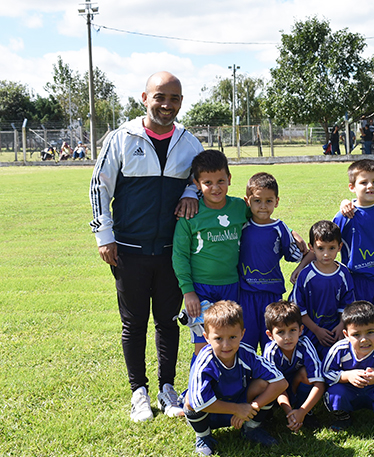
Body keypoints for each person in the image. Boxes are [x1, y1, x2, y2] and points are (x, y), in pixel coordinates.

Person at [90, 71, 204, 422]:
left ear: (181, 102)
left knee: (169, 321)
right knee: (134, 322)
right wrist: (103, 235)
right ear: (144, 98)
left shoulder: (190, 143)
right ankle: (138, 391)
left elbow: (200, 181)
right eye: (160, 97)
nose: (166, 105)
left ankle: (167, 387)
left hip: (172, 251)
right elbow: (99, 186)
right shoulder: (121, 137)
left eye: (174, 99)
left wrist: (188, 192)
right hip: (128, 249)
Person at [172, 150, 251, 358]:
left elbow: (264, 219)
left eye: (221, 181)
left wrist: (292, 234)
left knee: (230, 343)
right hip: (200, 289)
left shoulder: (240, 207)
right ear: (197, 184)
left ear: (229, 179)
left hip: (231, 286)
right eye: (208, 182)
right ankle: (197, 389)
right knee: (204, 345)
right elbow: (179, 256)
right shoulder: (190, 214)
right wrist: (188, 291)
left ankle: (227, 389)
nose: (215, 188)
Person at [183, 300, 288, 454]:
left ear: (242, 334)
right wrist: (237, 409)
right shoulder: (204, 361)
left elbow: (281, 383)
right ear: (206, 337)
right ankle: (203, 436)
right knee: (190, 400)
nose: (226, 345)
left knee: (264, 384)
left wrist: (253, 406)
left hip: (242, 406)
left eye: (232, 337)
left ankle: (251, 429)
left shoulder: (247, 353)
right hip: (212, 412)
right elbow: (199, 403)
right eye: (218, 338)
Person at [333, 159, 374, 338]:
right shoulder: (345, 215)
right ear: (352, 186)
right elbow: (327, 242)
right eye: (363, 182)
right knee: (358, 328)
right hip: (357, 282)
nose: (370, 186)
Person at [238, 172, 304, 350]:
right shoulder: (240, 226)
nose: (263, 206)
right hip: (246, 295)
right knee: (246, 344)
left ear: (277, 201)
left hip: (272, 296)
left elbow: (303, 254)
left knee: (273, 344)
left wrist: (299, 267)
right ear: (248, 201)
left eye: (269, 201)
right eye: (257, 200)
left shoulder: (279, 227)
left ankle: (274, 377)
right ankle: (249, 378)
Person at [323, 301, 374, 435]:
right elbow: (326, 373)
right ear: (346, 334)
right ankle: (343, 418)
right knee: (335, 393)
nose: (364, 339)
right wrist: (347, 376)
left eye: (370, 332)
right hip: (349, 390)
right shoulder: (339, 350)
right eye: (356, 334)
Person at [290, 220, 355, 358]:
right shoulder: (305, 275)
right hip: (308, 335)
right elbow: (298, 309)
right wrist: (316, 330)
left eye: (331, 248)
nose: (326, 254)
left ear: (340, 247)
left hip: (334, 334)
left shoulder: (344, 273)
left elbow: (347, 306)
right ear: (311, 247)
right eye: (321, 248)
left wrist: (341, 325)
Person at [263, 300, 325, 431]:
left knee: (306, 374)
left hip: (295, 385)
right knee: (262, 384)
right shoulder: (271, 352)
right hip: (278, 391)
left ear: (301, 330)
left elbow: (319, 383)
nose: (287, 337)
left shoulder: (305, 344)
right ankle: (267, 415)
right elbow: (276, 386)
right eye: (280, 332)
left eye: (292, 330)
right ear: (270, 335)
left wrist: (302, 411)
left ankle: (306, 411)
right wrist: (289, 413)